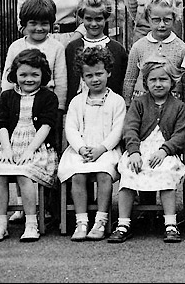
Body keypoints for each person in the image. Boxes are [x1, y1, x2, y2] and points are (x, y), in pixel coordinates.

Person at [108, 57, 185, 244]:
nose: (158, 84)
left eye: (163, 79)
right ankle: (123, 223)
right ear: (145, 82)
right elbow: (130, 129)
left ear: (172, 82)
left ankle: (170, 224)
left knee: (166, 171)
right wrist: (134, 151)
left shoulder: (178, 106)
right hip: (140, 150)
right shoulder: (139, 103)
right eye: (153, 80)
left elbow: (179, 135)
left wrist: (164, 151)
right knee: (129, 170)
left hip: (165, 151)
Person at [0, 49, 59, 243]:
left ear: (43, 75)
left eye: (35, 75)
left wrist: (30, 150)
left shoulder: (48, 97)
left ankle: (31, 223)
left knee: (24, 173)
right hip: (11, 146)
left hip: (38, 148)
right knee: (1, 175)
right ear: (15, 75)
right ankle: (1, 225)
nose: (29, 79)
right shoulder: (7, 96)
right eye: (23, 75)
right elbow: (0, 124)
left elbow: (46, 125)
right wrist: (7, 149)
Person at [58, 47, 126, 241]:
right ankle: (81, 221)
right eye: (89, 75)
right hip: (81, 149)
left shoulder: (117, 101)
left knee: (105, 173)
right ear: (82, 77)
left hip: (106, 149)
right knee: (77, 174)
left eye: (99, 74)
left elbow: (118, 130)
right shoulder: (77, 102)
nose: (95, 79)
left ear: (108, 72)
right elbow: (70, 128)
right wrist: (80, 148)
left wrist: (101, 149)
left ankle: (101, 220)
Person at [1, 0, 68, 120]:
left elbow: (61, 82)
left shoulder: (57, 47)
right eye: (33, 23)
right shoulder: (16, 47)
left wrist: (59, 109)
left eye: (44, 24)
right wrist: (5, 104)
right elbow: (7, 79)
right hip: (19, 103)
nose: (39, 28)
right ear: (24, 24)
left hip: (47, 105)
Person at [122, 0, 185, 108]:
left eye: (167, 20)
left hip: (172, 108)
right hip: (143, 106)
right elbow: (130, 80)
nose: (161, 25)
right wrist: (128, 106)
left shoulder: (182, 49)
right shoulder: (138, 47)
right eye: (156, 20)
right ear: (148, 19)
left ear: (174, 19)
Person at [65, 0, 128, 106]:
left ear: (106, 18)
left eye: (98, 19)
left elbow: (121, 81)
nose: (93, 24)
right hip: (79, 106)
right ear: (82, 19)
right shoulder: (73, 47)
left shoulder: (116, 49)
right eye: (89, 19)